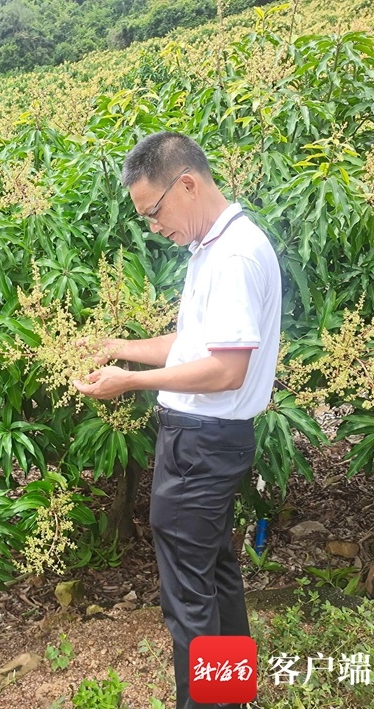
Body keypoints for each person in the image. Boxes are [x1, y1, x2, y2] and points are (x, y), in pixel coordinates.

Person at [74, 132, 281, 709]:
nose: (153, 226)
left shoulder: (234, 257)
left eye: (153, 211)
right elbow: (193, 345)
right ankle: (233, 697)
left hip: (201, 448)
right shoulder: (215, 248)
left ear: (186, 184)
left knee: (189, 595)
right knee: (214, 574)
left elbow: (226, 370)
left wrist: (129, 383)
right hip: (208, 443)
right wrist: (117, 347)